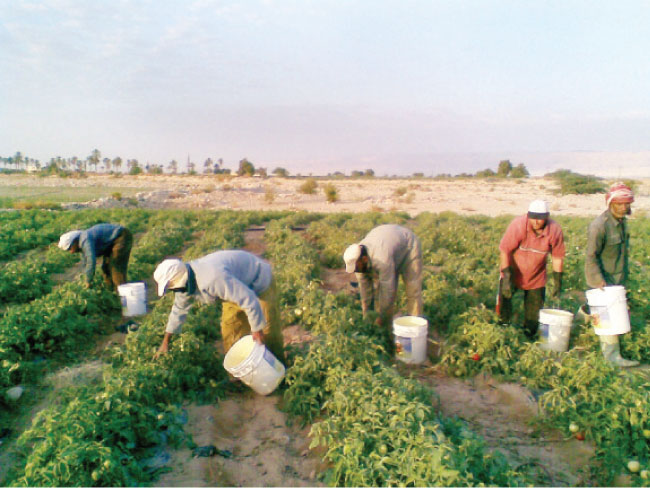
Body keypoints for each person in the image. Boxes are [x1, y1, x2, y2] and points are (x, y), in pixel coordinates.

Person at [152, 250, 284, 363]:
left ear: (178, 280)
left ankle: (277, 369)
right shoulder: (184, 286)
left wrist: (256, 330)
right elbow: (178, 311)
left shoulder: (212, 278)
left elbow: (249, 300)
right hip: (233, 290)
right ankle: (240, 374)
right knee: (230, 331)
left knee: (267, 331)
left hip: (258, 283)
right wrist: (165, 342)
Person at [584, 182, 638, 367]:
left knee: (608, 316)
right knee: (607, 319)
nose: (623, 208)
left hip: (618, 278)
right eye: (619, 204)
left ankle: (579, 329)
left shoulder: (622, 224)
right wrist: (599, 281)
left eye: (626, 204)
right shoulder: (599, 226)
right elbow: (591, 256)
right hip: (604, 280)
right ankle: (611, 359)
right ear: (610, 204)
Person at [498, 200, 565, 339]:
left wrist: (558, 280)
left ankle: (528, 336)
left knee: (533, 315)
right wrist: (506, 275)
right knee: (504, 305)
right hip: (513, 271)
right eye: (533, 217)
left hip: (536, 276)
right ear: (528, 215)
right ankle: (502, 331)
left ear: (547, 217)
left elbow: (557, 257)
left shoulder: (554, 230)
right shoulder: (518, 225)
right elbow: (505, 250)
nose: (536, 222)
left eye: (540, 219)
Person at [343, 224, 423, 335]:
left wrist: (382, 319)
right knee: (379, 291)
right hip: (388, 243)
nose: (355, 271)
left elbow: (388, 291)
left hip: (408, 245)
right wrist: (367, 317)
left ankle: (414, 327)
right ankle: (387, 326)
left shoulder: (382, 259)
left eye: (357, 268)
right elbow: (365, 291)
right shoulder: (358, 260)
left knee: (412, 288)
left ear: (364, 259)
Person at [58, 223, 133, 290]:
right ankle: (111, 293)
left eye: (70, 248)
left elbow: (91, 261)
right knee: (106, 268)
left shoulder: (85, 240)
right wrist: (84, 278)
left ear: (74, 241)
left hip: (121, 237)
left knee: (115, 267)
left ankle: (123, 297)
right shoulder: (80, 245)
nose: (71, 252)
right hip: (111, 243)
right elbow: (85, 263)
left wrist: (88, 281)